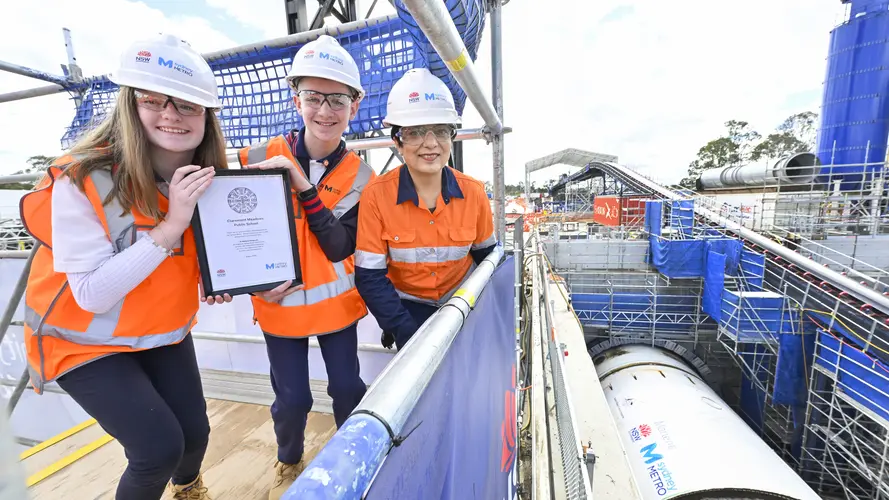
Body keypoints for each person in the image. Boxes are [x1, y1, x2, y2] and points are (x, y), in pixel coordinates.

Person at [19, 33, 231, 500]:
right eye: (154, 101)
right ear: (129, 105)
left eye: (188, 105)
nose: (171, 115)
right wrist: (173, 224)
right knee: (157, 449)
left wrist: (220, 278)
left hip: (159, 329)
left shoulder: (206, 179)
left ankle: (190, 490)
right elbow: (91, 294)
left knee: (194, 437)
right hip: (81, 340)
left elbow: (198, 257)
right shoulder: (80, 177)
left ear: (206, 118)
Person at [237, 34, 375, 499]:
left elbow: (339, 247)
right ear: (296, 98)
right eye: (313, 97)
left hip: (337, 307)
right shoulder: (252, 160)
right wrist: (246, 284)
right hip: (278, 307)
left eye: (337, 99)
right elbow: (226, 232)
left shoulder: (361, 177)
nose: (324, 110)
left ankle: (351, 464)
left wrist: (301, 184)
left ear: (355, 105)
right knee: (292, 400)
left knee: (348, 390)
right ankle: (288, 460)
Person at [354, 68, 498, 351]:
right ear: (397, 141)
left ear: (452, 136)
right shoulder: (376, 196)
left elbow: (487, 261)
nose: (430, 143)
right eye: (415, 132)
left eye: (441, 131)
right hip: (409, 307)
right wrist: (400, 328)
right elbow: (370, 276)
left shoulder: (474, 192)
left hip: (462, 301)